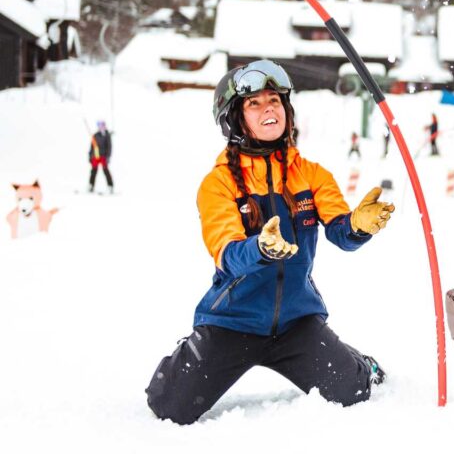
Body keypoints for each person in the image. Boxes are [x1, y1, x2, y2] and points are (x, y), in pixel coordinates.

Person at [145, 60, 395, 425]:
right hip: (234, 321)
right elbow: (227, 253)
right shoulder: (218, 184)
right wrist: (260, 248)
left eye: (275, 101)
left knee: (352, 392)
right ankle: (191, 353)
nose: (269, 109)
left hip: (297, 321)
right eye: (254, 103)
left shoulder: (310, 174)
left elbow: (342, 234)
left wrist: (358, 225)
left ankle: (357, 361)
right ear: (234, 119)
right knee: (171, 407)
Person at [87, 120, 114, 193]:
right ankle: (91, 185)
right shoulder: (95, 135)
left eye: (102, 125)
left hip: (103, 156)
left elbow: (109, 147)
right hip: (95, 156)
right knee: (93, 171)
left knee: (106, 171)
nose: (101, 127)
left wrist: (108, 156)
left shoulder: (107, 135)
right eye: (99, 125)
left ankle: (110, 186)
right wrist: (90, 156)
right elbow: (92, 147)